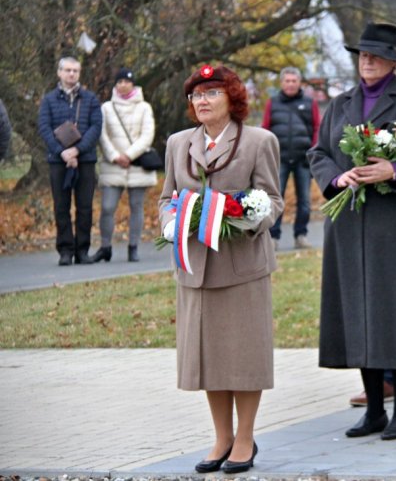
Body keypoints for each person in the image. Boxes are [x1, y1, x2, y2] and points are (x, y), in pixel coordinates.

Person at [158, 64, 283, 474]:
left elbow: (273, 200)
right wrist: (171, 222)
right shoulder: (179, 143)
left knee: (243, 357)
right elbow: (166, 197)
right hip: (196, 266)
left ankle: (245, 438)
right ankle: (221, 437)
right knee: (210, 357)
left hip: (241, 264)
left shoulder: (258, 141)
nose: (203, 101)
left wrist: (248, 215)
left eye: (212, 93)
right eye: (197, 95)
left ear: (232, 98)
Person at [308, 22, 396, 440]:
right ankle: (374, 408)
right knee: (360, 312)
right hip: (349, 223)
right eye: (363, 54)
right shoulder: (341, 103)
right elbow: (319, 152)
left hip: (392, 224)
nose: (368, 60)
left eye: (376, 55)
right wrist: (335, 179)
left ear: (394, 62)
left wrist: (393, 169)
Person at [38, 57, 102, 266]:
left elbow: (95, 128)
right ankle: (65, 251)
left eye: (75, 70)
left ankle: (82, 251)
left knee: (84, 207)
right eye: (67, 70)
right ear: (59, 72)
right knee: (61, 207)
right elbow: (44, 128)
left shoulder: (90, 99)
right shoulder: (48, 100)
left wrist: (77, 150)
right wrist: (62, 152)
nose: (72, 74)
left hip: (85, 160)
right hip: (58, 162)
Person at [89, 68, 157, 263]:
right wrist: (115, 156)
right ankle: (105, 247)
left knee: (137, 206)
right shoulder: (106, 108)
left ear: (133, 84)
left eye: (126, 81)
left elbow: (147, 135)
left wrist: (128, 155)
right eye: (119, 82)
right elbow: (102, 135)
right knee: (108, 207)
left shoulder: (144, 107)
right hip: (113, 165)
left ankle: (133, 246)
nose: (122, 85)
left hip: (137, 164)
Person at [262, 67, 320, 250]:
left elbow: (317, 128)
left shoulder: (310, 103)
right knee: (276, 199)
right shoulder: (272, 103)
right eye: (287, 81)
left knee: (304, 202)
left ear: (299, 83)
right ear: (282, 83)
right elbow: (265, 129)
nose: (290, 84)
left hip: (303, 160)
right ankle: (273, 237)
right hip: (279, 160)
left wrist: (313, 151)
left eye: (294, 81)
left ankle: (301, 235)